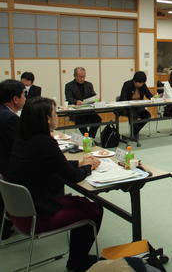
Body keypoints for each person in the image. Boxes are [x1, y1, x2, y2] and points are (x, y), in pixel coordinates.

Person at [7, 97, 102, 272]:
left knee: (81, 201)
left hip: (18, 211)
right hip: (37, 215)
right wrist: (88, 167)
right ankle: (78, 262)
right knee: (94, 209)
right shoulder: (44, 142)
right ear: (47, 119)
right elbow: (72, 176)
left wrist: (79, 163)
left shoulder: (23, 138)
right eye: (55, 113)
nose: (57, 116)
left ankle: (78, 258)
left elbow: (53, 165)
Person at [0, 79, 26, 240]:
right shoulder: (10, 119)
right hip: (9, 169)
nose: (25, 98)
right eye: (24, 95)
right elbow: (20, 149)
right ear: (15, 99)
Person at [65, 67, 102, 138]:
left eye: (84, 76)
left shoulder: (89, 84)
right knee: (79, 121)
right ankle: (88, 138)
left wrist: (96, 99)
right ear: (75, 76)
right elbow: (69, 98)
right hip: (76, 111)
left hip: (88, 109)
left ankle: (90, 138)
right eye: (80, 77)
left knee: (98, 119)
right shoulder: (69, 85)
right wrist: (76, 101)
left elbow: (93, 95)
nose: (82, 78)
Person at [118, 71, 153, 139]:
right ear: (134, 81)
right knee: (133, 114)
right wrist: (130, 104)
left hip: (138, 107)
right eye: (140, 83)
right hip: (127, 108)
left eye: (143, 83)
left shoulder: (143, 85)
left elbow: (149, 95)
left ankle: (134, 132)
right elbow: (123, 98)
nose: (141, 84)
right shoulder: (127, 84)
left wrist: (154, 98)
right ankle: (134, 133)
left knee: (147, 115)